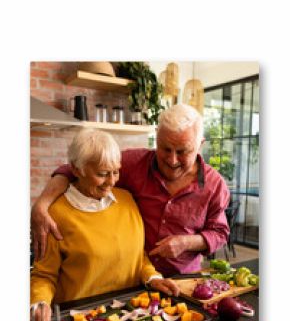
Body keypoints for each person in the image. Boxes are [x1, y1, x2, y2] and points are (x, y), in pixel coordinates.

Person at [31, 104, 230, 277]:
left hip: (184, 278)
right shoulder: (132, 163)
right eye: (165, 149)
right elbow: (73, 169)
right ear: (156, 138)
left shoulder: (215, 185)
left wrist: (187, 242)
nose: (172, 160)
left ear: (200, 145)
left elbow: (220, 232)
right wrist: (41, 205)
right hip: (136, 278)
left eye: (182, 151)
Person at [31, 128, 178, 321]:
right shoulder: (56, 214)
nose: (111, 181)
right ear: (76, 168)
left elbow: (137, 257)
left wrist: (153, 277)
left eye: (116, 171)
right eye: (101, 174)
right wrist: (39, 302)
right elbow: (44, 275)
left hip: (130, 318)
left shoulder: (127, 200)